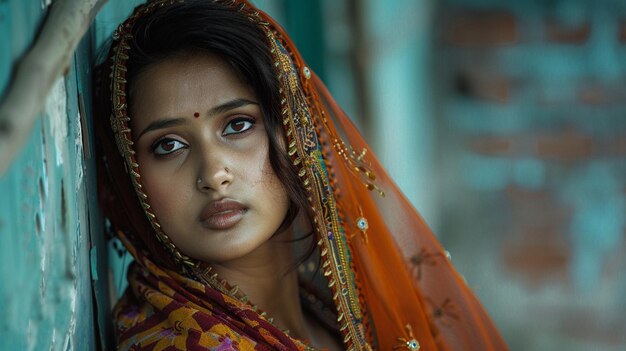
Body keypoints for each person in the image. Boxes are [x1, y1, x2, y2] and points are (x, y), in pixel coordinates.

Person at [93, 0, 508, 350]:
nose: (214, 173)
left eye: (238, 125)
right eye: (168, 145)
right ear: (131, 176)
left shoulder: (333, 308)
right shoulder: (176, 341)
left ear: (291, 130)